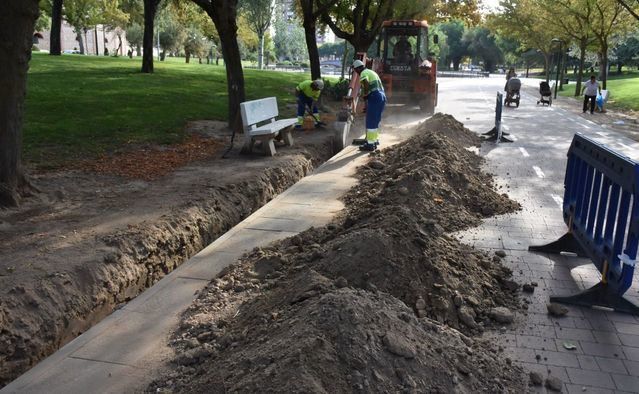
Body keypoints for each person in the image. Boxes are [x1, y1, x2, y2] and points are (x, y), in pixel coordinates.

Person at [353, 59, 386, 151]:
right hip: (381, 96)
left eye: (355, 71)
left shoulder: (363, 73)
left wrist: (365, 94)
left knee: (370, 120)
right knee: (375, 120)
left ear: (357, 69)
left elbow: (366, 83)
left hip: (374, 96)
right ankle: (374, 140)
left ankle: (370, 144)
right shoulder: (371, 72)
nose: (356, 73)